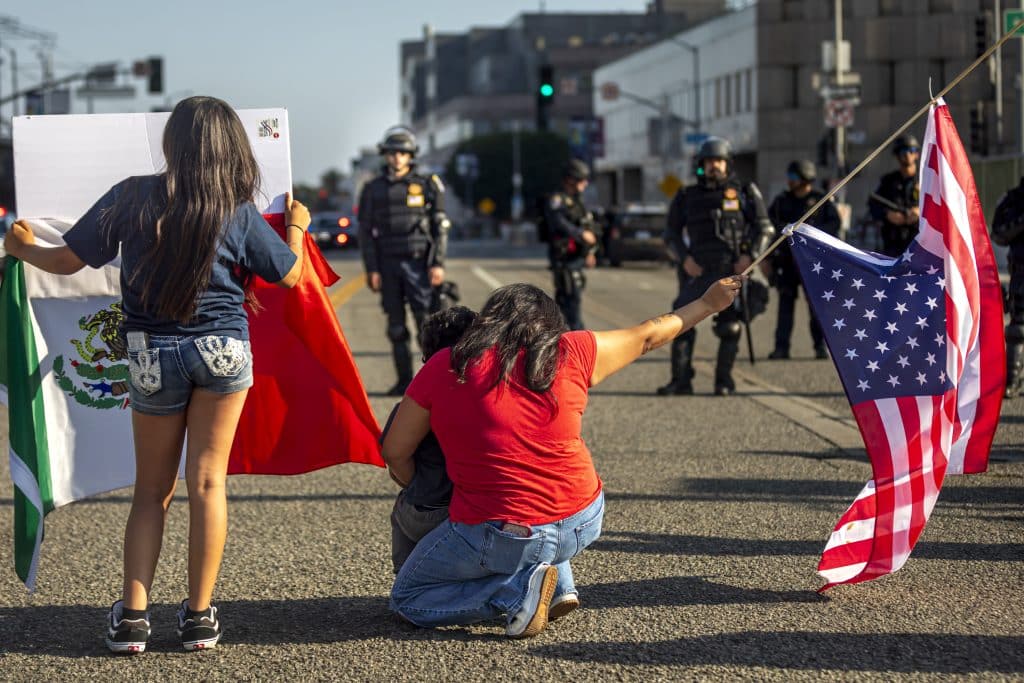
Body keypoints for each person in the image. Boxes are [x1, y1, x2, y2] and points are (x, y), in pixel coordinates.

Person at [3, 96, 309, 654]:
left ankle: (133, 620)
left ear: (172, 142)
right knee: (208, 483)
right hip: (223, 350)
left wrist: (23, 247)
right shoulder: (235, 209)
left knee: (152, 491)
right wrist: (296, 227)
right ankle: (199, 619)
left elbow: (68, 261)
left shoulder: (132, 194)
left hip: (151, 354)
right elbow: (290, 276)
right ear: (231, 149)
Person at [382, 277, 742, 638]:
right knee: (544, 499)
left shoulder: (450, 363)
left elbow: (395, 451)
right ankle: (558, 584)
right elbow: (649, 335)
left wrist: (433, 492)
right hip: (582, 519)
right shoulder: (573, 350)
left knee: (409, 598)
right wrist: (708, 304)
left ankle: (517, 591)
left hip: (507, 533)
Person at [658, 136, 774, 396]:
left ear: (727, 164)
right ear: (701, 165)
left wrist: (750, 256)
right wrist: (684, 258)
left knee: (729, 328)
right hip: (697, 271)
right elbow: (670, 234)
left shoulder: (744, 192)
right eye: (709, 161)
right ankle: (680, 380)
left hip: (731, 270)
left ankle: (724, 381)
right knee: (679, 324)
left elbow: (764, 227)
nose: (714, 166)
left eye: (719, 161)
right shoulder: (686, 196)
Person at [358, 127, 452, 396]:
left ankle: (435, 385)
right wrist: (372, 269)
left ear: (411, 155)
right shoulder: (373, 189)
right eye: (392, 153)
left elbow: (440, 228)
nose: (397, 157)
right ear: (385, 155)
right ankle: (404, 383)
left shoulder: (427, 184)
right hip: (387, 265)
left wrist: (438, 263)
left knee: (427, 326)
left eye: (402, 152)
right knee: (396, 328)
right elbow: (365, 233)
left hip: (419, 264)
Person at [386, 305, 478, 573]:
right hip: (479, 509)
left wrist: (418, 484)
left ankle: (407, 575)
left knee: (403, 507)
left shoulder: (415, 403)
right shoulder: (493, 395)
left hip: (428, 509)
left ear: (427, 355)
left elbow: (394, 455)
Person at [766, 159, 841, 360]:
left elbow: (834, 225)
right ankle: (781, 348)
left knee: (816, 307)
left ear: (805, 178)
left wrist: (808, 234)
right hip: (787, 262)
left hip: (813, 263)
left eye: (793, 177)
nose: (789, 181)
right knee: (785, 306)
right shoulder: (781, 201)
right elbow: (769, 226)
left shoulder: (821, 201)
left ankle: (820, 346)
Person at [543, 159, 600, 330]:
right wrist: (580, 234)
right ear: (570, 180)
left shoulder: (577, 201)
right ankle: (576, 338)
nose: (585, 183)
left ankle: (567, 336)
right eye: (581, 179)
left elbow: (587, 223)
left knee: (571, 301)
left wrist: (590, 252)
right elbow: (558, 222)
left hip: (576, 259)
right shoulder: (557, 200)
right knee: (570, 304)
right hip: (564, 259)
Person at [991, 177, 1024, 397]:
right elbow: (998, 233)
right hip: (1021, 272)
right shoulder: (1013, 199)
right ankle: (1012, 378)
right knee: (1018, 328)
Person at [868, 133, 921, 257]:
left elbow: (940, 206)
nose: (907, 155)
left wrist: (921, 212)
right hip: (893, 244)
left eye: (911, 150)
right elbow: (873, 205)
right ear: (897, 156)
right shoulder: (888, 181)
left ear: (917, 154)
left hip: (920, 243)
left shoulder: (926, 179)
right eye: (903, 151)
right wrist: (888, 214)